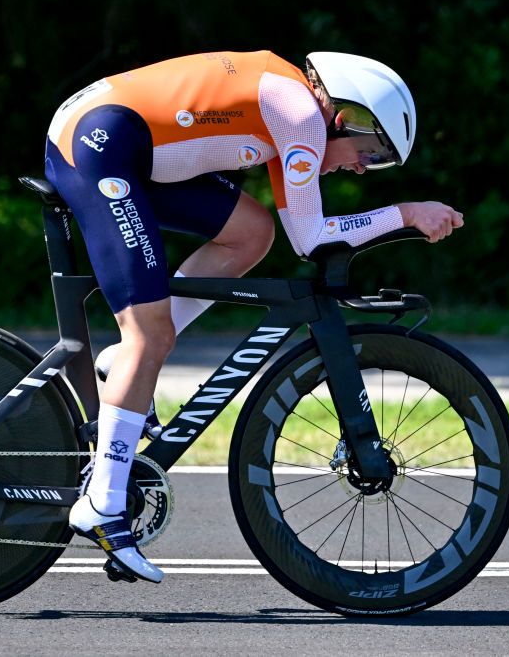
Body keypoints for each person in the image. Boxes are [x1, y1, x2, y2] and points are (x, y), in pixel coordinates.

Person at [43, 50, 463, 583]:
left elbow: (293, 232)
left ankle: (119, 365)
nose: (362, 167)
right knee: (150, 337)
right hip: (97, 144)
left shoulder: (291, 110)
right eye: (373, 152)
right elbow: (313, 239)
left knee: (251, 232)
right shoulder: (301, 115)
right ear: (346, 116)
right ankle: (103, 503)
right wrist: (406, 213)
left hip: (119, 140)